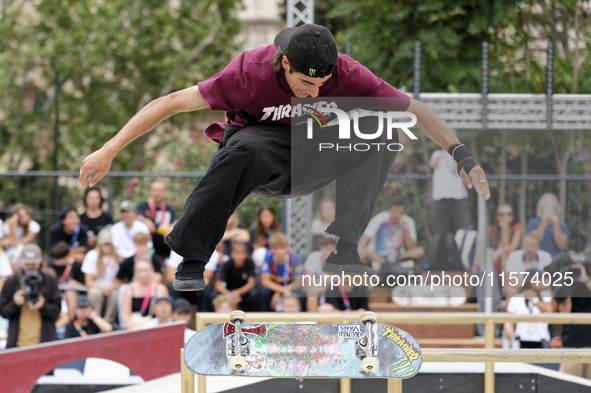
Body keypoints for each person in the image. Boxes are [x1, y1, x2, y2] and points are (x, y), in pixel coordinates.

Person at [79, 23, 490, 292]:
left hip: (314, 155)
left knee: (381, 132)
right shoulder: (247, 72)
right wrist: (109, 149)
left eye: (322, 84)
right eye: (305, 82)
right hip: (260, 156)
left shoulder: (349, 74)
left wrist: (461, 154)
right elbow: (170, 103)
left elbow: (417, 111)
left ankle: (345, 251)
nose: (314, 92)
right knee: (245, 145)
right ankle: (193, 257)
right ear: (285, 62)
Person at [0, 243, 61, 348]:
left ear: (40, 262)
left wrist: (43, 306)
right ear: (21, 261)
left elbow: (56, 311)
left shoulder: (48, 280)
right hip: (17, 345)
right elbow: (3, 312)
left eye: (34, 264)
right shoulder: (11, 282)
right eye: (27, 264)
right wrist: (15, 303)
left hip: (44, 344)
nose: (30, 268)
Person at [358, 198, 425, 272]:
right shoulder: (380, 219)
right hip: (377, 256)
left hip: (398, 257)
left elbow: (412, 248)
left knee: (420, 251)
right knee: (363, 249)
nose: (397, 215)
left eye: (401, 212)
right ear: (389, 210)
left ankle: (392, 266)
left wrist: (406, 230)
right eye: (395, 212)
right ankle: (388, 265)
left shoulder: (408, 222)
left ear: (404, 212)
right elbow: (364, 240)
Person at [555, 260, 591, 379]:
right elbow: (564, 310)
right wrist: (568, 284)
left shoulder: (588, 281)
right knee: (567, 385)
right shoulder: (566, 287)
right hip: (572, 343)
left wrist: (585, 279)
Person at [429, 140, 472, 236]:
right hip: (441, 195)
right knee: (440, 228)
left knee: (462, 227)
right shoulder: (437, 153)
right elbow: (432, 164)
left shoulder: (459, 155)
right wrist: (442, 154)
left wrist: (453, 155)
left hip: (457, 195)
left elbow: (456, 169)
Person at [503, 270, 554, 349]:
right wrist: (509, 333)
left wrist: (535, 300)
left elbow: (550, 312)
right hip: (521, 340)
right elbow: (509, 322)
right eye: (536, 279)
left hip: (541, 340)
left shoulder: (545, 297)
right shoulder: (516, 299)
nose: (539, 281)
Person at [81, 228, 122, 322]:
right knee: (95, 293)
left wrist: (112, 286)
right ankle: (96, 320)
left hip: (112, 287)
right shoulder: (92, 255)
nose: (106, 246)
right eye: (104, 243)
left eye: (108, 243)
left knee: (117, 294)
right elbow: (88, 281)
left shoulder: (118, 257)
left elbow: (121, 278)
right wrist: (102, 288)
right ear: (100, 244)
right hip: (96, 287)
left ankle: (108, 321)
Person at [260, 233, 304, 311]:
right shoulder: (268, 257)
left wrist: (283, 290)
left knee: (303, 294)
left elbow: (299, 282)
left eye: (282, 247)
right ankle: (265, 319)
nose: (280, 251)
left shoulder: (294, 257)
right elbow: (265, 281)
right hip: (274, 286)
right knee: (263, 293)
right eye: (276, 248)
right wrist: (281, 290)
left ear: (287, 247)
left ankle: (302, 319)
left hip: (290, 286)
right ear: (271, 249)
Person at [120, 259, 168, 330]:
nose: (143, 274)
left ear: (152, 270)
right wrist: (131, 328)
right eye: (139, 271)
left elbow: (165, 311)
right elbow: (125, 314)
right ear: (135, 272)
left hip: (155, 326)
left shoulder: (160, 289)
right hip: (135, 327)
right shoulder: (129, 289)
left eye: (145, 270)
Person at [136, 180, 178, 259]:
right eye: (155, 190)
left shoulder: (169, 209)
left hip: (165, 248)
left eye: (160, 191)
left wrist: (172, 227)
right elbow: (137, 216)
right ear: (151, 192)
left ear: (165, 193)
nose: (157, 194)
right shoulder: (143, 206)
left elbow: (176, 221)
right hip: (147, 248)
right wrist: (146, 221)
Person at [47, 241, 86, 320]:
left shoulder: (75, 265)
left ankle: (73, 321)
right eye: (54, 258)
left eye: (58, 259)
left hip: (70, 294)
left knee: (70, 293)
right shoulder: (50, 265)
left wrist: (75, 283)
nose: (55, 261)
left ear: (67, 256)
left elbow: (84, 285)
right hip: (55, 293)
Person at [214, 242, 257, 311]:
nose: (240, 256)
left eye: (242, 253)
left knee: (254, 295)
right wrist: (230, 294)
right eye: (237, 253)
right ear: (232, 254)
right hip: (229, 291)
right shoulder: (227, 264)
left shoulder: (249, 262)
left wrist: (238, 292)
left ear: (246, 254)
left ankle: (253, 318)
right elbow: (218, 285)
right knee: (213, 295)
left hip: (244, 293)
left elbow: (251, 284)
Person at [303, 237, 336, 312]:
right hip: (322, 288)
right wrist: (329, 281)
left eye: (332, 249)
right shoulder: (313, 257)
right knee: (312, 291)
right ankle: (312, 319)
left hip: (333, 289)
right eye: (327, 248)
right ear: (321, 248)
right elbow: (309, 282)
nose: (330, 252)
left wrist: (319, 282)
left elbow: (341, 281)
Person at [488, 204, 522, 274]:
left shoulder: (516, 228)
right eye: (502, 214)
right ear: (497, 216)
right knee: (504, 259)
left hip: (507, 256)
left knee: (507, 257)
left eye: (509, 214)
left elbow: (513, 246)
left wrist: (504, 229)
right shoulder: (492, 230)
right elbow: (499, 245)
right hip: (496, 258)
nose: (505, 217)